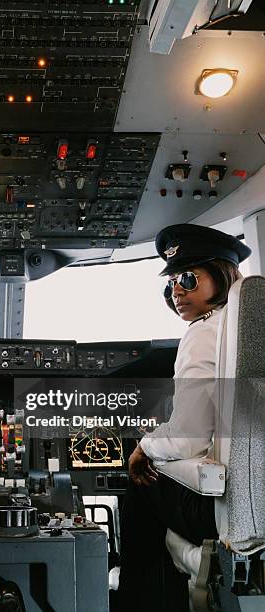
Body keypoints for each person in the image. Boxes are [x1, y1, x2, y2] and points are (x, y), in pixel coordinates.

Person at [117, 223, 251, 612]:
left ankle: (138, 604)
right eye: (171, 283)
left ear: (223, 276)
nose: (177, 291)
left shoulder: (206, 331)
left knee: (141, 483)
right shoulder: (248, 329)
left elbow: (190, 435)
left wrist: (144, 446)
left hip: (230, 511)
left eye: (188, 278)